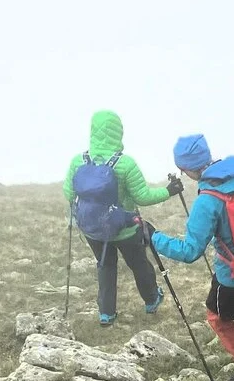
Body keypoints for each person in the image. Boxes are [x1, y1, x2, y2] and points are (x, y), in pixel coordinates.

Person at [145, 135, 234, 381]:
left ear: (187, 168)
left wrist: (154, 237)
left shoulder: (207, 200)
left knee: (217, 318)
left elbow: (190, 251)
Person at [63, 110, 181, 327]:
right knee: (138, 264)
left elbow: (69, 194)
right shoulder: (125, 164)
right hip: (124, 228)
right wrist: (169, 191)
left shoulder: (78, 161)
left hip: (93, 229)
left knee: (106, 266)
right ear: (118, 132)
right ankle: (152, 300)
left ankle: (106, 313)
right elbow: (143, 197)